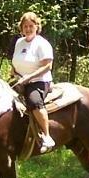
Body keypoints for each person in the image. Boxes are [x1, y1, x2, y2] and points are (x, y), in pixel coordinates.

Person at [11, 12, 55, 153]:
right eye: (25, 26)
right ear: (21, 28)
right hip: (20, 80)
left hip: (39, 81)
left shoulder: (42, 44)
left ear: (37, 26)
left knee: (34, 102)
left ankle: (47, 136)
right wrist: (14, 72)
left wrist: (28, 78)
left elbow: (48, 66)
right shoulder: (19, 42)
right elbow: (16, 61)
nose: (28, 29)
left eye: (31, 26)